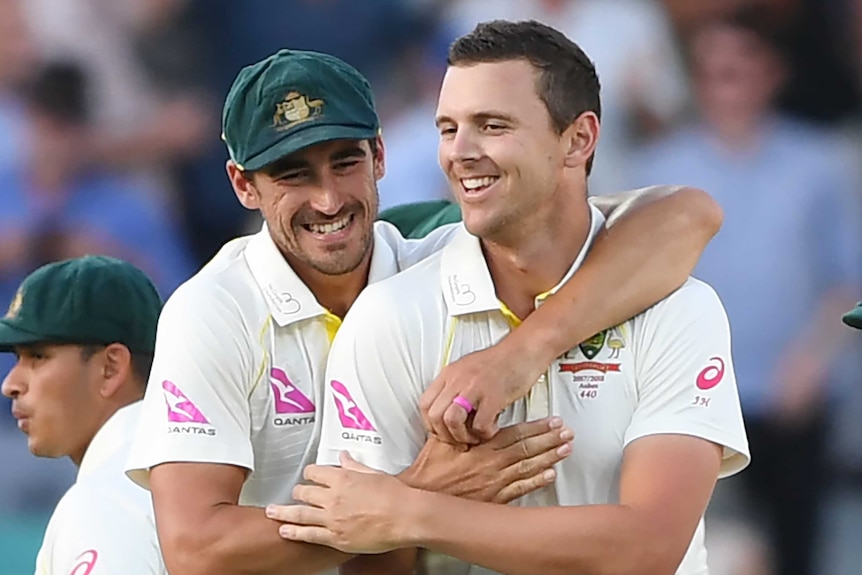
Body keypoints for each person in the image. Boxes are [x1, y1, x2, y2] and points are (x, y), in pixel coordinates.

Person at [125, 47, 723, 575]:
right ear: (243, 185)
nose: (329, 199)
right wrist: (414, 496)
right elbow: (197, 552)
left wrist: (519, 354)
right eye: (293, 175)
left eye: (345, 162)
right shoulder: (214, 312)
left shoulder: (431, 252)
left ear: (380, 155)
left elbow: (685, 216)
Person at [269, 21, 750, 575]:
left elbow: (649, 547)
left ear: (580, 139)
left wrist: (415, 510)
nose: (459, 153)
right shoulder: (388, 317)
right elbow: (369, 550)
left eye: (491, 125)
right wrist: (409, 509)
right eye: (447, 129)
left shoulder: (680, 308)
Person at [0, 255, 166, 575]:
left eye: (37, 356)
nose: (10, 384)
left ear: (110, 368)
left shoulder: (107, 499)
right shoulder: (198, 474)